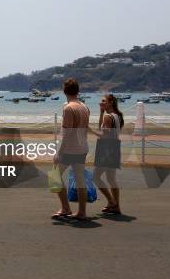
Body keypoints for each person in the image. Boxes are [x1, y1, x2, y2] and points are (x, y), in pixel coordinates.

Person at [52, 78, 91, 221]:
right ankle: (82, 211)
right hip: (82, 147)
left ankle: (65, 207)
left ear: (64, 91)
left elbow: (67, 134)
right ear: (78, 91)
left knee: (54, 176)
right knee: (80, 179)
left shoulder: (69, 108)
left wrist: (59, 153)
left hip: (70, 149)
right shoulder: (84, 107)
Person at [90, 94, 123, 214]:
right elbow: (103, 129)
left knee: (96, 177)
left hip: (106, 149)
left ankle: (111, 201)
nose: (101, 103)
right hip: (115, 147)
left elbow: (104, 134)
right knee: (111, 178)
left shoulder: (108, 117)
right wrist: (101, 113)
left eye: (104, 101)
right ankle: (116, 206)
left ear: (111, 103)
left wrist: (90, 131)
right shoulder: (117, 116)